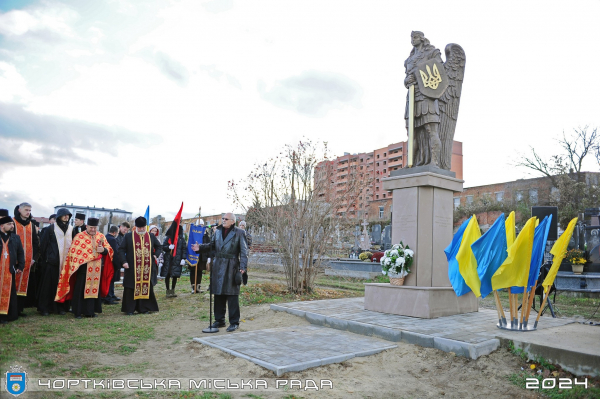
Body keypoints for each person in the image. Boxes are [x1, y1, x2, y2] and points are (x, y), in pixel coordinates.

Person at [192, 212, 248, 332]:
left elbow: (244, 252)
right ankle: (219, 320)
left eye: (226, 219)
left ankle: (234, 322)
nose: (223, 220)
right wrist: (200, 248)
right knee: (218, 294)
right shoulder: (217, 232)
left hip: (231, 265)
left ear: (233, 221)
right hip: (218, 265)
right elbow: (212, 245)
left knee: (232, 295)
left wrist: (242, 267)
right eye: (223, 218)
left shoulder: (239, 232)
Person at [55, 218, 114, 319]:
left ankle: (90, 311)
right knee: (80, 289)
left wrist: (103, 250)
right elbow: (73, 252)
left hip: (96, 269)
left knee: (93, 289)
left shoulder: (101, 236)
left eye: (95, 228)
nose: (93, 230)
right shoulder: (79, 237)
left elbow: (109, 250)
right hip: (83, 268)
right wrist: (85, 258)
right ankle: (78, 312)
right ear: (86, 226)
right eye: (91, 227)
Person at [404, 31, 444, 167]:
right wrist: (406, 80)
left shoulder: (432, 53)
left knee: (431, 130)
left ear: (421, 39)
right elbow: (407, 79)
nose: (412, 40)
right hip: (412, 96)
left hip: (427, 96)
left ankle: (435, 161)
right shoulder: (408, 60)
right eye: (411, 37)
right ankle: (411, 163)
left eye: (415, 37)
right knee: (412, 133)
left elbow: (440, 72)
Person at [118, 217, 162, 315]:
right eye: (139, 227)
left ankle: (144, 308)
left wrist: (155, 255)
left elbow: (159, 247)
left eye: (143, 227)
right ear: (135, 227)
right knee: (131, 287)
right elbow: (121, 249)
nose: (142, 229)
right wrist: (124, 261)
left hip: (146, 267)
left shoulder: (150, 236)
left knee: (145, 286)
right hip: (132, 267)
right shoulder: (129, 236)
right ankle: (130, 309)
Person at [37, 208, 73, 316]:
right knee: (48, 287)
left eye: (68, 215)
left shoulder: (71, 229)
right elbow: (43, 246)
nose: (66, 217)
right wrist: (48, 258)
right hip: (52, 263)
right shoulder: (50, 229)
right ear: (59, 216)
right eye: (64, 215)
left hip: (66, 264)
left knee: (62, 286)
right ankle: (45, 308)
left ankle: (61, 307)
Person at [13, 203, 40, 315]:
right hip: (14, 260)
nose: (28, 212)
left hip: (28, 261)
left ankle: (19, 309)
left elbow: (36, 243)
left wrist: (34, 258)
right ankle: (11, 309)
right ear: (19, 210)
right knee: (12, 284)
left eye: (29, 210)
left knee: (23, 285)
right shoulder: (13, 223)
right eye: (26, 210)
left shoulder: (31, 225)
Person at [0, 209, 25, 324]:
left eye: (12, 224)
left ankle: (8, 315)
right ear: (2, 226)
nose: (12, 226)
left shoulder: (15, 238)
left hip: (9, 271)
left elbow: (20, 252)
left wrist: (21, 265)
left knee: (9, 292)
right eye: (9, 224)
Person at [160, 222, 188, 298]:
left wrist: (183, 258)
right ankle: (168, 290)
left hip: (177, 259)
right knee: (168, 275)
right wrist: (169, 247)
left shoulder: (181, 239)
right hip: (169, 259)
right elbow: (163, 246)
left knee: (175, 275)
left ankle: (173, 290)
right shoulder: (169, 237)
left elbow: (184, 249)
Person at [188, 219, 211, 294]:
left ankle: (198, 287)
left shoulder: (205, 235)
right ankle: (193, 287)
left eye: (201, 225)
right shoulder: (193, 233)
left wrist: (208, 257)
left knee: (199, 271)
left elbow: (208, 246)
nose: (200, 226)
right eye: (199, 225)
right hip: (194, 255)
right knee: (193, 271)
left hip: (202, 256)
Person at [103, 225, 123, 305]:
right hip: (111, 263)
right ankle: (109, 297)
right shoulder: (112, 240)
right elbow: (115, 252)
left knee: (110, 280)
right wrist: (118, 264)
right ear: (114, 233)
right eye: (117, 232)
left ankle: (111, 295)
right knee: (110, 280)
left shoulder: (105, 237)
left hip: (107, 262)